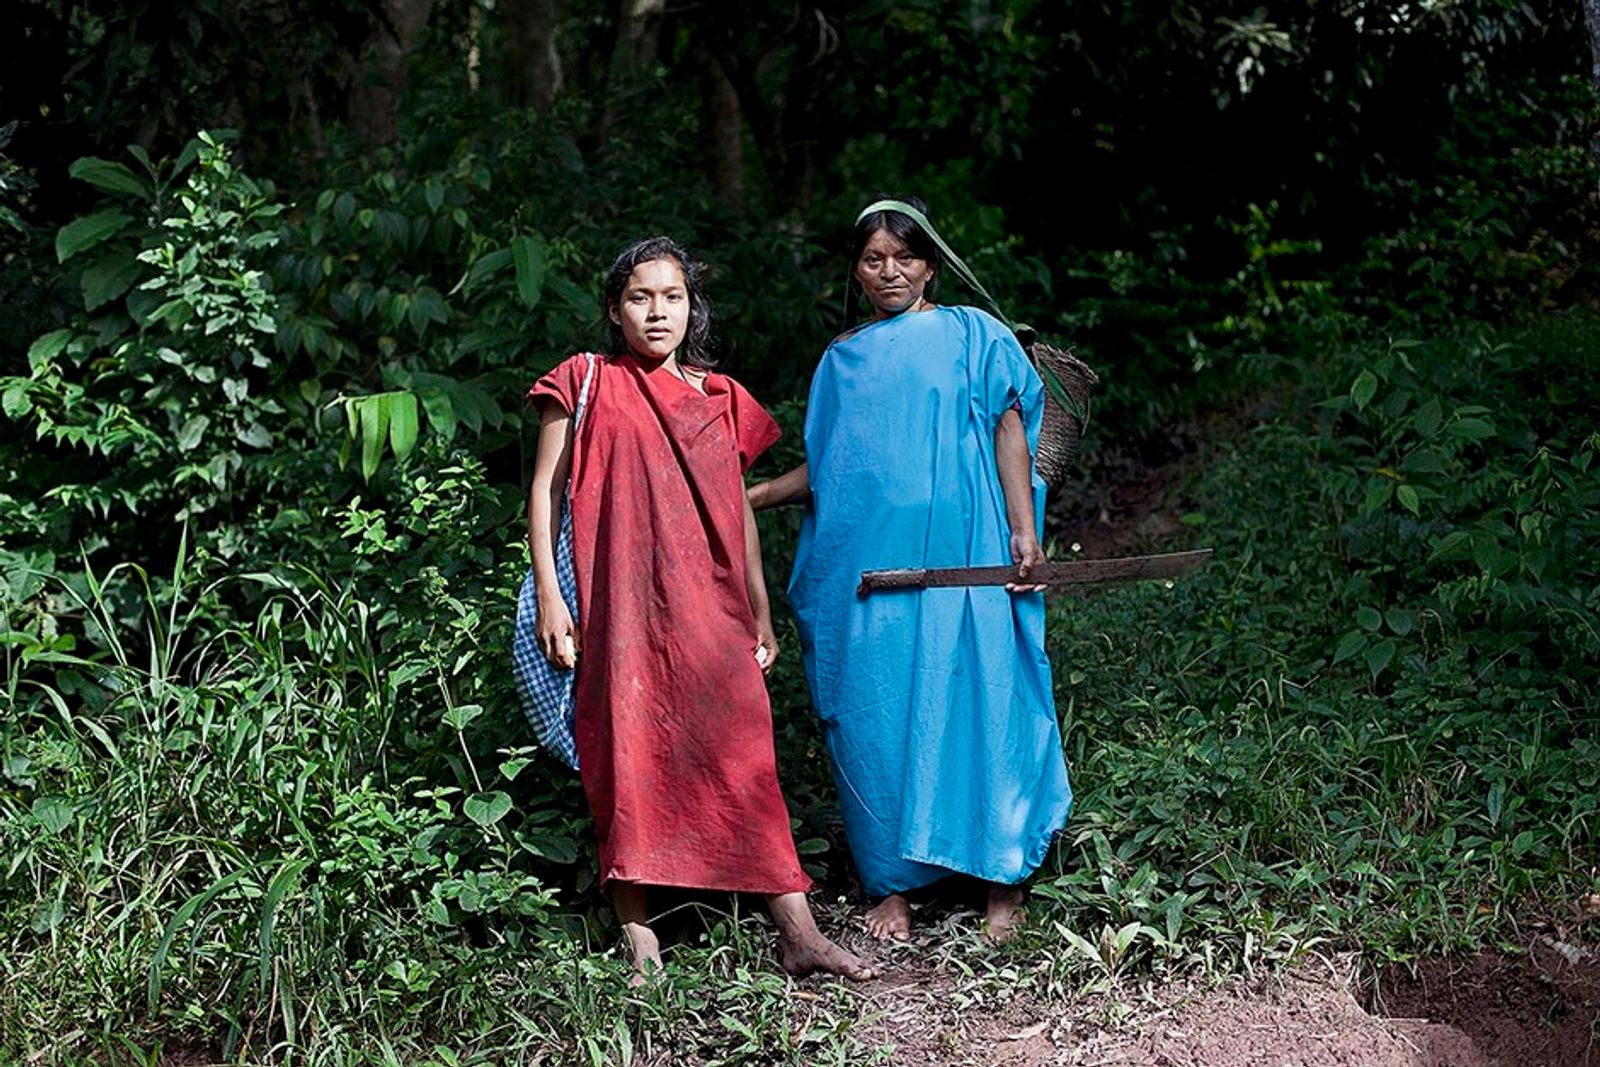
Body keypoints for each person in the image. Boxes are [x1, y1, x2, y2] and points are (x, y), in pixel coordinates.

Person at [525, 236, 875, 984]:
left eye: (673, 296)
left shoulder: (720, 397)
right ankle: (641, 944)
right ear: (615, 311)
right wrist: (553, 600)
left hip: (709, 610)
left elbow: (736, 513)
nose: (658, 311)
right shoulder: (583, 381)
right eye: (641, 297)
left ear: (693, 307)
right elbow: (546, 492)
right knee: (628, 758)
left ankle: (799, 930)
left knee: (745, 753)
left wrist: (760, 610)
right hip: (621, 613)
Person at [748, 199, 1073, 943]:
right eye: (873, 260)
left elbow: (1009, 427)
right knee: (875, 706)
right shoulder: (842, 360)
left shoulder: (972, 333)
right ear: (856, 272)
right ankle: (890, 882)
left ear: (932, 261)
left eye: (905, 257)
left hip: (967, 553)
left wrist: (1024, 534)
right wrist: (756, 494)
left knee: (983, 694)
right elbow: (832, 467)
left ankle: (1002, 879)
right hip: (866, 568)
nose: (890, 271)